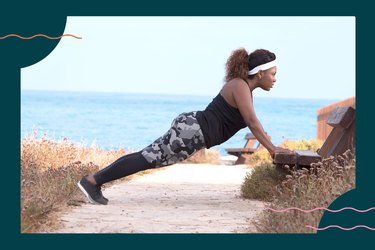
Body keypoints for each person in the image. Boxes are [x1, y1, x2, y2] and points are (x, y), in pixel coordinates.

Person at [78, 48, 292, 205]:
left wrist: (269, 143)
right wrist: (272, 149)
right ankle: (92, 181)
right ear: (261, 73)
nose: (275, 79)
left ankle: (93, 181)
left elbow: (251, 122)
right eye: (273, 74)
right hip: (192, 131)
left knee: (145, 158)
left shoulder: (243, 87)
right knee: (145, 159)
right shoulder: (240, 85)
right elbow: (252, 122)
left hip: (193, 131)